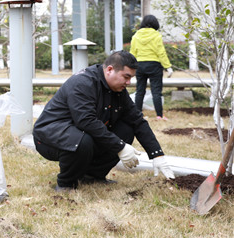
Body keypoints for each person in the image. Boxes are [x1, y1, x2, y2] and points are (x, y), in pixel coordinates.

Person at [33, 51, 175, 192]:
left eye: (131, 78)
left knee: (126, 130)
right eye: (126, 77)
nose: (129, 82)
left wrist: (157, 154)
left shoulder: (117, 90)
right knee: (82, 141)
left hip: (79, 131)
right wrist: (120, 147)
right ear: (109, 70)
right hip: (49, 136)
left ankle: (92, 176)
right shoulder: (83, 83)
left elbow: (137, 120)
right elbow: (86, 121)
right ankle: (66, 183)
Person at [130, 14, 173, 120]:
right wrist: (168, 67)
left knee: (140, 90)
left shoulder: (136, 36)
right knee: (156, 91)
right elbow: (160, 52)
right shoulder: (156, 35)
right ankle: (159, 115)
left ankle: (137, 115)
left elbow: (132, 53)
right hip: (154, 65)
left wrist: (131, 66)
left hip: (139, 65)